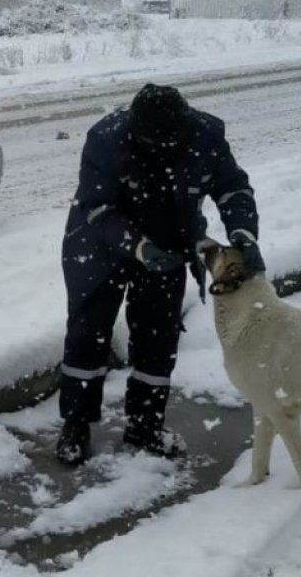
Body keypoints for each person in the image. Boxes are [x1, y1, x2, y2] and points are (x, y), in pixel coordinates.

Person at [56, 84, 264, 465]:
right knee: (89, 331)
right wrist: (137, 247)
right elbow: (96, 208)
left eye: (169, 143)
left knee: (158, 334)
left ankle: (145, 425)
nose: (161, 150)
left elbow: (233, 188)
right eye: (152, 143)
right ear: (137, 132)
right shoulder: (106, 139)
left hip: (168, 241)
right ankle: (75, 424)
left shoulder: (205, 137)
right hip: (99, 243)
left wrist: (243, 234)